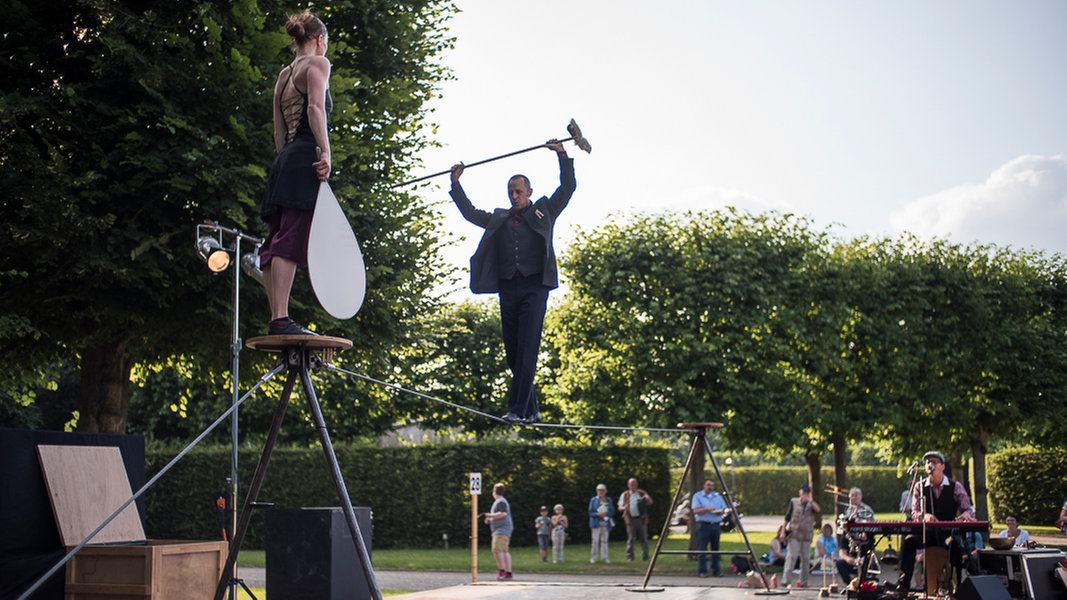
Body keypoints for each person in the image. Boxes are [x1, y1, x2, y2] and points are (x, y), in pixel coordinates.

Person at [449, 142, 576, 424]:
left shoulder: (545, 210)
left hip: (535, 287)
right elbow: (470, 213)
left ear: (529, 192)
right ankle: (532, 410)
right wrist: (456, 184)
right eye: (511, 192)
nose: (515, 196)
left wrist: (562, 155)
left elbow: (567, 189)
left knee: (528, 348)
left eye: (519, 192)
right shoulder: (499, 218)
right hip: (508, 288)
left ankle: (518, 410)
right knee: (513, 353)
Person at [259, 9, 333, 336]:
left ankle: (277, 315)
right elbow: (316, 108)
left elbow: (277, 132)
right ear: (319, 40)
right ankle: (281, 319)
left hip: (284, 159)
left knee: (274, 238)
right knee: (289, 238)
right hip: (305, 156)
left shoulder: (283, 75)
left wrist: (284, 163)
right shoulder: (318, 64)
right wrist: (326, 152)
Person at [893, 451, 976, 597]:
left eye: (934, 462)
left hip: (946, 533)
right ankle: (904, 584)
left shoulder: (955, 486)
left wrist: (965, 515)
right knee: (909, 541)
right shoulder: (919, 486)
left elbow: (968, 509)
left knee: (955, 545)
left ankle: (957, 586)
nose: (930, 464)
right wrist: (924, 516)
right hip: (927, 533)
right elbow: (915, 513)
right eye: (927, 462)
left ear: (943, 466)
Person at [782, 483, 820, 589]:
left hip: (806, 536)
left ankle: (804, 581)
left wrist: (810, 501)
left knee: (806, 559)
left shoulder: (811, 504)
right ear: (800, 492)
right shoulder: (794, 502)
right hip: (795, 534)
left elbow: (818, 510)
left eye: (807, 492)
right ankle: (786, 580)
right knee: (792, 557)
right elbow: (787, 517)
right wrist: (783, 531)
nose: (805, 494)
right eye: (803, 492)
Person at [835, 487, 874, 586]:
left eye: (856, 496)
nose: (854, 498)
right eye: (852, 496)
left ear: (860, 497)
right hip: (850, 538)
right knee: (840, 563)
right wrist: (848, 559)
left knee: (870, 563)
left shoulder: (867, 509)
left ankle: (864, 583)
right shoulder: (847, 510)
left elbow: (872, 524)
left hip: (864, 539)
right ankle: (851, 585)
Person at [691, 478, 728, 577]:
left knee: (715, 548)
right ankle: (702, 571)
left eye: (711, 485)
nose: (709, 487)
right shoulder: (698, 496)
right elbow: (695, 510)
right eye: (708, 485)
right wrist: (707, 509)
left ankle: (716, 570)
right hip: (703, 524)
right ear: (704, 486)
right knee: (702, 548)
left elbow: (723, 509)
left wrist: (721, 512)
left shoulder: (717, 496)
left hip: (715, 524)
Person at [618, 477, 654, 561]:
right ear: (628, 485)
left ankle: (645, 556)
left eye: (634, 484)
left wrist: (647, 499)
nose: (633, 486)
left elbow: (650, 502)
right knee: (631, 538)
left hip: (641, 519)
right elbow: (619, 507)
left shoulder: (642, 493)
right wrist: (624, 508)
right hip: (630, 519)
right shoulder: (625, 494)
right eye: (631, 484)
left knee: (644, 538)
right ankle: (630, 557)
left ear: (637, 485)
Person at [484, 483, 514, 580]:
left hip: (501, 530)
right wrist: (491, 519)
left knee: (497, 551)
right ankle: (508, 572)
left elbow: (503, 514)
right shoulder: (500, 501)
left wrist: (490, 516)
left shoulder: (500, 501)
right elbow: (500, 514)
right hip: (502, 529)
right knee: (504, 551)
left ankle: (502, 571)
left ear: (494, 492)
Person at [588, 483, 614, 563]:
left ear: (605, 491)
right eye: (599, 490)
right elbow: (590, 512)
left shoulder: (609, 500)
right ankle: (594, 557)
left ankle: (605, 557)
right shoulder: (593, 500)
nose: (600, 492)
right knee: (595, 540)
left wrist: (606, 514)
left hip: (605, 522)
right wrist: (597, 514)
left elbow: (612, 511)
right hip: (596, 523)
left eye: (602, 490)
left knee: (605, 540)